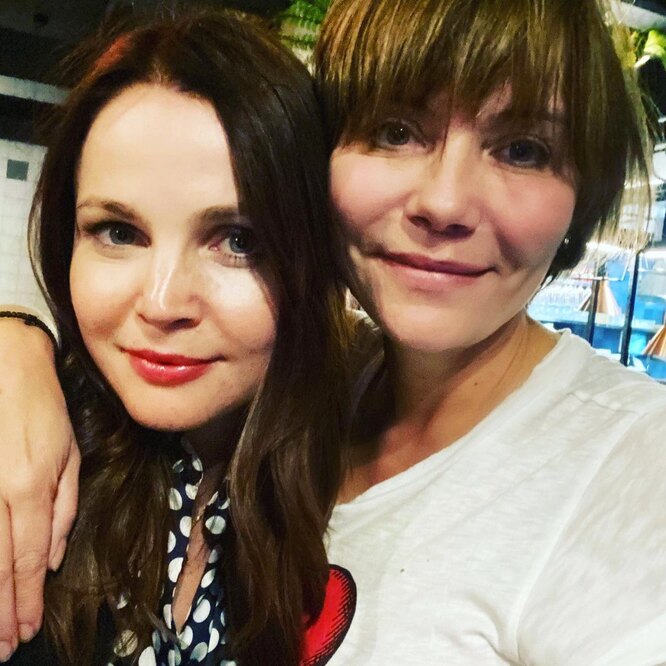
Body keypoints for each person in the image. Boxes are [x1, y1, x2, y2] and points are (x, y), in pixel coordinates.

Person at [3, 0, 666, 663]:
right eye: (397, 132)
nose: (444, 203)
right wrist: (21, 345)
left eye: (523, 150)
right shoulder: (298, 387)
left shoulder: (633, 464)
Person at [1, 9, 350, 665]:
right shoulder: (26, 462)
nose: (162, 304)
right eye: (118, 232)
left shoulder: (368, 465)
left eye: (237, 241)